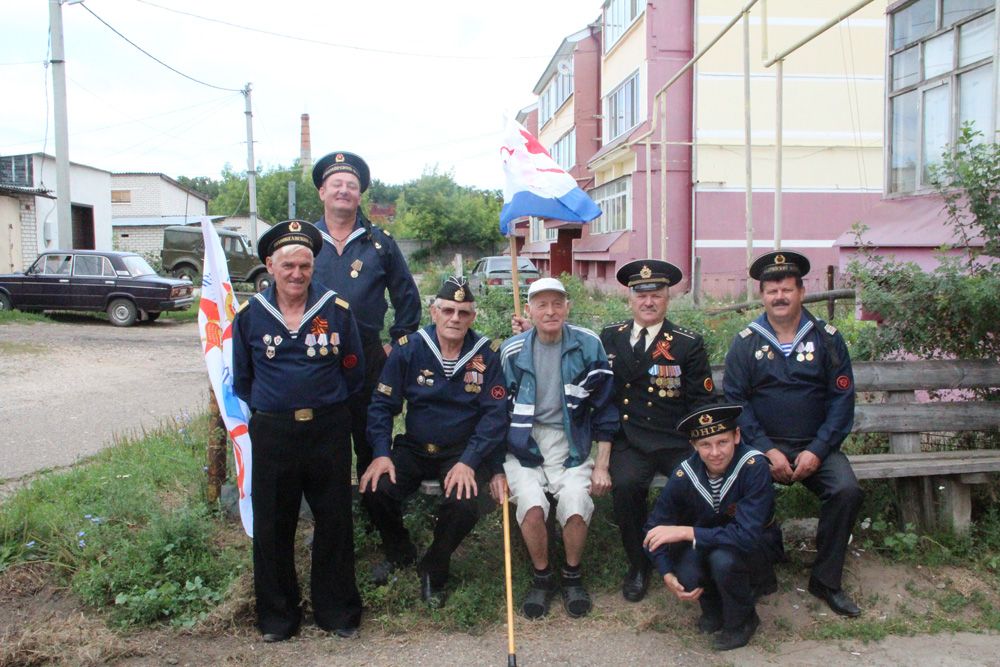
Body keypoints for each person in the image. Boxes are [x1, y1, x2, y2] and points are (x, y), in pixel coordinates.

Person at [232, 220, 365, 642]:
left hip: (326, 430)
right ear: (271, 265)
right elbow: (243, 379)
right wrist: (279, 406)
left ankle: (337, 612)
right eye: (288, 265)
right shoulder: (251, 316)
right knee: (273, 526)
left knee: (334, 521)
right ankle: (278, 618)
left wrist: (320, 400)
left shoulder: (336, 311)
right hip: (273, 434)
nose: (296, 274)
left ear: (313, 265)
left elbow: (354, 371)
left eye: (304, 265)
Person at [724, 250, 862, 617]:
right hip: (761, 448)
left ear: (801, 291)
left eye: (787, 289)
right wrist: (766, 450)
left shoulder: (828, 339)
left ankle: (826, 581)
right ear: (762, 296)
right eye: (772, 291)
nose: (779, 296)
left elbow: (841, 400)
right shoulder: (745, 342)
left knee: (846, 490)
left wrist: (818, 450)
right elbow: (737, 404)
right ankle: (761, 572)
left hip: (815, 446)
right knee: (740, 492)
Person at [358, 276, 508, 607]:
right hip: (414, 447)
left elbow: (495, 416)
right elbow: (382, 406)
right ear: (434, 311)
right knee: (374, 487)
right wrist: (381, 454)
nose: (455, 318)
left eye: (463, 312)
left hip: (461, 452)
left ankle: (434, 566)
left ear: (473, 316)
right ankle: (400, 552)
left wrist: (470, 461)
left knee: (464, 503)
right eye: (448, 310)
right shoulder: (410, 348)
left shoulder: (487, 354)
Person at [496, 277, 618, 619]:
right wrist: (495, 468)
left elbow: (606, 410)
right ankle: (542, 577)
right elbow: (495, 414)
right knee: (533, 506)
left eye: (557, 303)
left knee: (576, 504)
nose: (550, 311)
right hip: (524, 441)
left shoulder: (588, 346)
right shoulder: (512, 350)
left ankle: (572, 574)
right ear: (529, 311)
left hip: (571, 441)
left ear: (568, 307)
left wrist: (602, 464)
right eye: (541, 305)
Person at [599, 259, 716, 602]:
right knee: (626, 486)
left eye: (656, 294)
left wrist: (700, 446)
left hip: (674, 439)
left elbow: (701, 400)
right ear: (630, 298)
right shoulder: (610, 337)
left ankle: (687, 556)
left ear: (668, 297)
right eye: (641, 294)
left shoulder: (686, 343)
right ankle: (639, 564)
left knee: (694, 488)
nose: (648, 302)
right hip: (630, 440)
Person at [311, 151, 421, 479]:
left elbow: (408, 300)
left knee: (371, 433)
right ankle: (330, 510)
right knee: (323, 438)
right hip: (315, 352)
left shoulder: (380, 244)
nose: (344, 190)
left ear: (360, 195)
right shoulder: (306, 241)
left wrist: (394, 347)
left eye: (351, 185)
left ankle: (374, 505)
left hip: (369, 354)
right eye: (336, 184)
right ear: (322, 192)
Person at [643, 404, 783, 651]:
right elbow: (654, 527)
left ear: (737, 437)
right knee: (686, 574)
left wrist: (687, 532)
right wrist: (665, 572)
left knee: (723, 561)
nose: (715, 452)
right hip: (712, 542)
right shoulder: (684, 474)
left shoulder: (754, 466)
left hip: (753, 547)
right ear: (694, 446)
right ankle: (714, 608)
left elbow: (747, 536)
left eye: (723, 442)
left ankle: (743, 620)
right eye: (705, 445)